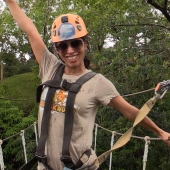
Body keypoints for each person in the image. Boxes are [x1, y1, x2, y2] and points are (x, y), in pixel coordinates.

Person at [3, 0, 170, 170]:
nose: (70, 50)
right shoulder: (50, 67)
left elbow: (128, 111)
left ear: (85, 44)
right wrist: (10, 2)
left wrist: (159, 132)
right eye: (62, 46)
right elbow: (31, 32)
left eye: (75, 43)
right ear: (56, 49)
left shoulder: (98, 83)